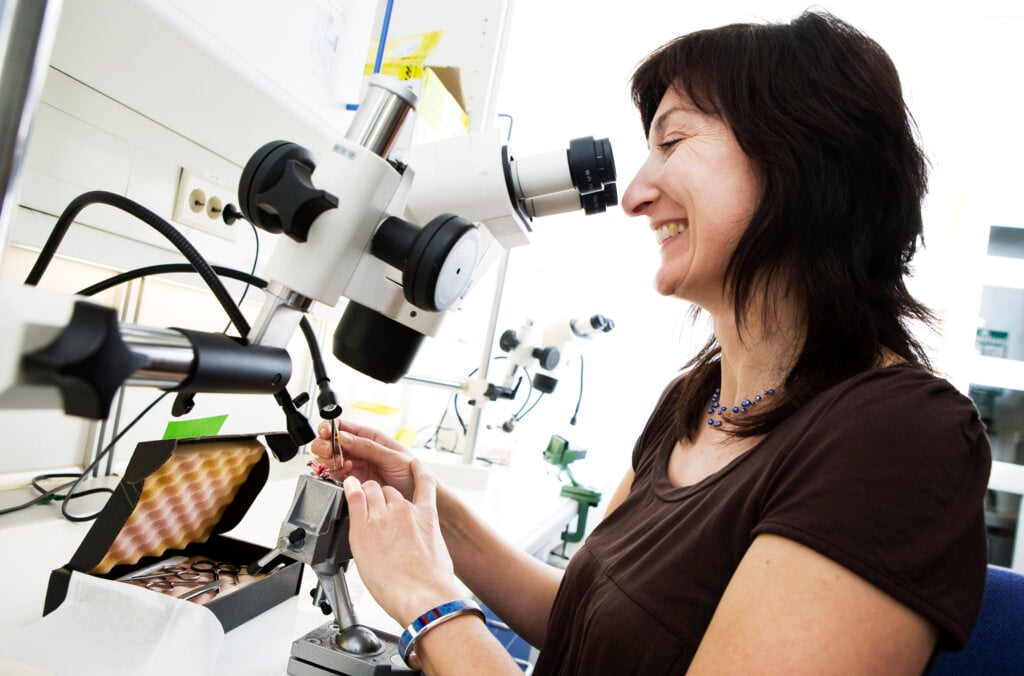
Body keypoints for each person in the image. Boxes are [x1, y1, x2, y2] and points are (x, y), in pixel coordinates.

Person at [311, 9, 991, 674]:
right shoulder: (694, 402)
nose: (635, 195)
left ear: (804, 159)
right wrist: (434, 511)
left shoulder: (901, 437)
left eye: (672, 143)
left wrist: (428, 604)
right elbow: (583, 622)